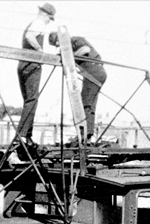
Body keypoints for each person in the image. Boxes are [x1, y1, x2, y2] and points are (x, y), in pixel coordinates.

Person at [49, 31, 107, 142]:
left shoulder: (75, 40)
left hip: (93, 72)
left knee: (84, 104)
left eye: (58, 43)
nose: (59, 47)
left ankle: (83, 135)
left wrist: (70, 57)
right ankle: (87, 135)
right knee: (89, 104)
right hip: (95, 73)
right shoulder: (72, 44)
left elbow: (85, 50)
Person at [15, 3, 56, 150]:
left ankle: (27, 135)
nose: (48, 23)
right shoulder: (39, 23)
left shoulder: (32, 23)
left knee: (29, 101)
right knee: (32, 99)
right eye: (49, 20)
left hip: (23, 64)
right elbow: (30, 36)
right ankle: (23, 135)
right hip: (32, 64)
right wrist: (40, 50)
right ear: (46, 15)